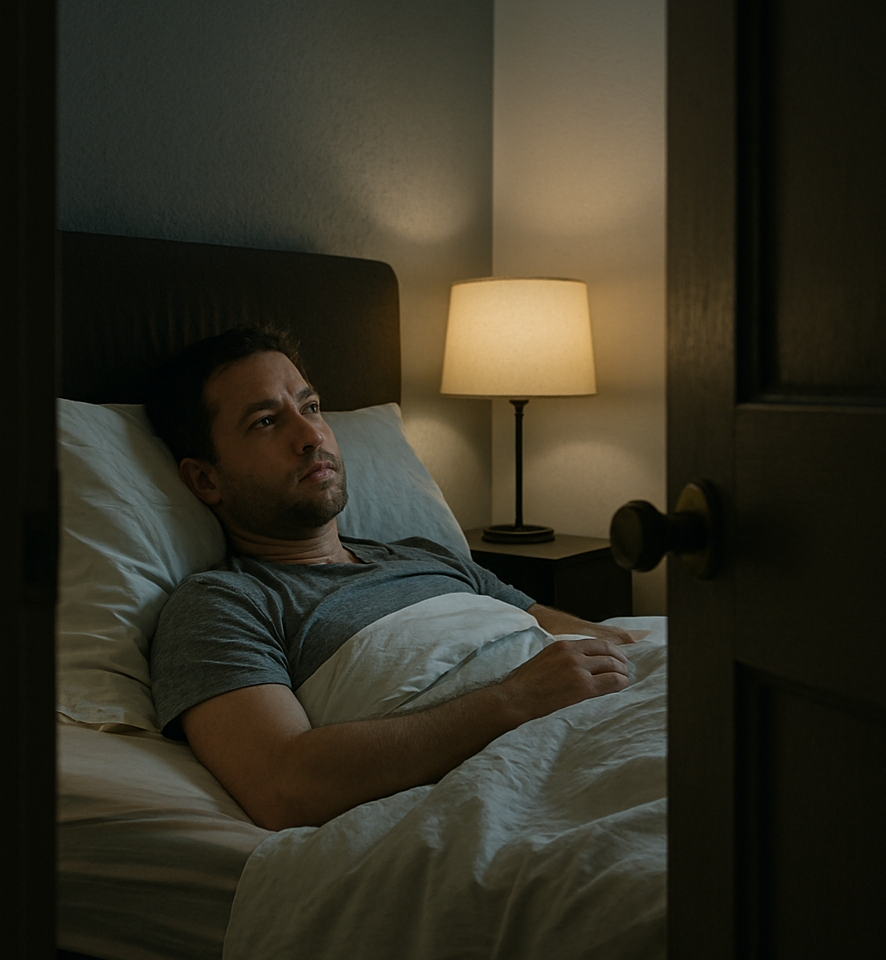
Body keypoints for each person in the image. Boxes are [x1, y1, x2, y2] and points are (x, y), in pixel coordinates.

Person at [145, 325, 645, 832]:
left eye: (311, 407)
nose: (311, 436)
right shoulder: (222, 604)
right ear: (205, 479)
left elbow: (582, 635)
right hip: (530, 782)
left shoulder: (422, 555)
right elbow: (284, 785)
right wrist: (516, 699)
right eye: (266, 421)